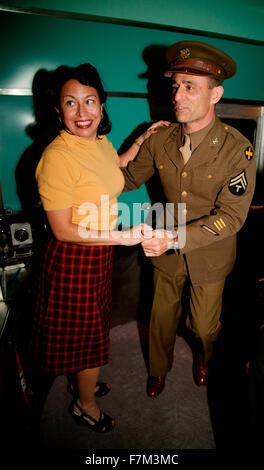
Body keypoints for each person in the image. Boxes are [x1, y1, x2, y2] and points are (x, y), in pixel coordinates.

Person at [29, 62, 169, 432]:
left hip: (99, 253)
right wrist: (124, 235)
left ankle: (82, 381)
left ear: (102, 106)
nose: (82, 112)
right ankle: (85, 404)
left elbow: (114, 174)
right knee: (88, 337)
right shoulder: (57, 157)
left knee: (90, 328)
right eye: (70, 103)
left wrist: (141, 139)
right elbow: (62, 230)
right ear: (58, 110)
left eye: (89, 101)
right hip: (74, 256)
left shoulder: (100, 142)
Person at [121, 41, 256, 397]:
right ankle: (158, 368)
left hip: (210, 251)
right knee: (161, 317)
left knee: (205, 325)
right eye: (176, 85)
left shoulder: (236, 149)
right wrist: (134, 143)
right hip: (163, 246)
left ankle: (204, 355)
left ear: (216, 94)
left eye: (190, 87)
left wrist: (176, 238)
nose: (178, 95)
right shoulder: (159, 139)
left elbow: (232, 215)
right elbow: (127, 179)